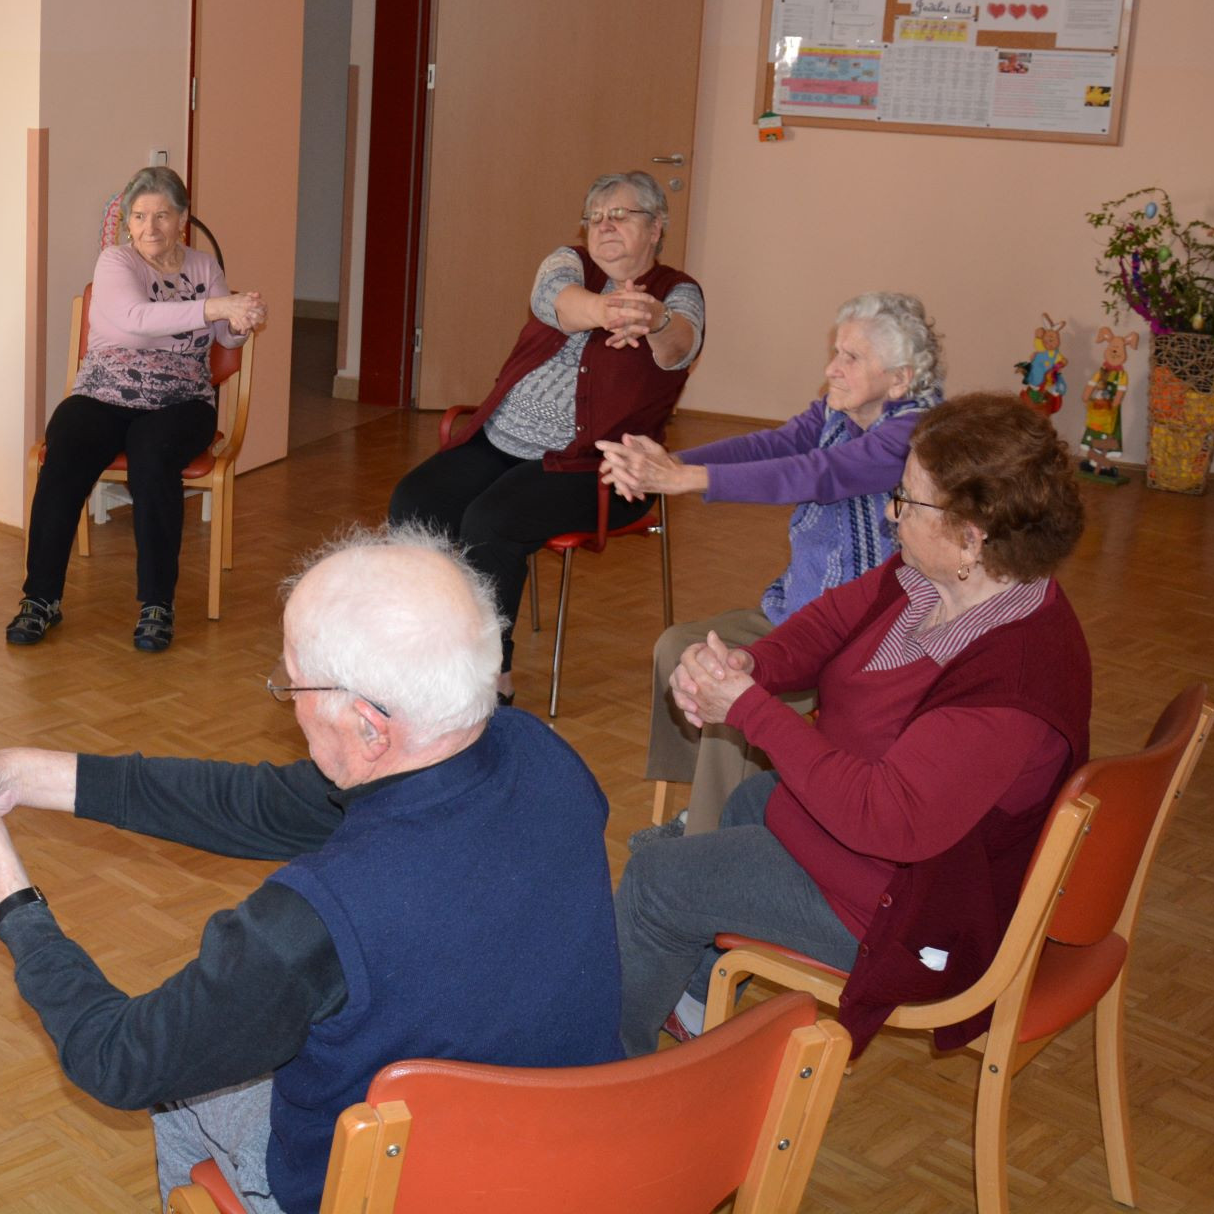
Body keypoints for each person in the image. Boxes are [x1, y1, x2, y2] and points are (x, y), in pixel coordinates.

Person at [0, 526, 621, 1214]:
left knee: (186, 1088)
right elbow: (261, 804)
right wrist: (19, 775)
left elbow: (117, 1058)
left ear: (370, 726)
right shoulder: (539, 753)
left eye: (295, 687)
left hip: (396, 1191)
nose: (287, 702)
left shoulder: (309, 922)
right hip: (584, 1152)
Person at [612, 393, 1090, 1058]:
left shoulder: (1007, 685)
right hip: (889, 858)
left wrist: (749, 708)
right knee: (752, 800)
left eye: (907, 500)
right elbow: (833, 623)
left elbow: (885, 817)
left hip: (915, 909)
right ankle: (691, 997)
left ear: (969, 534)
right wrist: (754, 663)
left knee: (653, 879)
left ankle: (597, 1069)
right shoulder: (942, 579)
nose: (891, 513)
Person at [605, 292, 942, 836]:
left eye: (851, 357)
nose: (832, 368)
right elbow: (774, 447)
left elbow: (821, 473)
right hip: (799, 612)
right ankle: (709, 800)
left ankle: (710, 841)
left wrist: (687, 481)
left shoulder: (916, 436)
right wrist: (672, 463)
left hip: (868, 637)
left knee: (730, 675)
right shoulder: (834, 412)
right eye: (836, 351)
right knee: (677, 647)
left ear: (900, 379)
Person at [387, 170, 704, 675]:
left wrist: (654, 320)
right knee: (415, 502)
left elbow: (681, 344)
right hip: (499, 441)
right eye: (594, 218)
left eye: (620, 215)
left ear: (657, 227)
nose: (603, 226)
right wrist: (611, 311)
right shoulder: (567, 262)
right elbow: (553, 300)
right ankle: (420, 646)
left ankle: (490, 675)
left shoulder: (678, 292)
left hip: (595, 468)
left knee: (490, 523)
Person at [10, 166, 264, 653]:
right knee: (65, 445)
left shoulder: (204, 267)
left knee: (153, 456)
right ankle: (40, 599)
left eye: (162, 216)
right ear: (128, 222)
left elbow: (223, 337)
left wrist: (241, 319)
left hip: (181, 400)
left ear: (182, 220)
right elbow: (132, 323)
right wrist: (214, 309)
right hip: (106, 393)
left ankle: (156, 605)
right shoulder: (115, 263)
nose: (151, 227)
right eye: (140, 216)